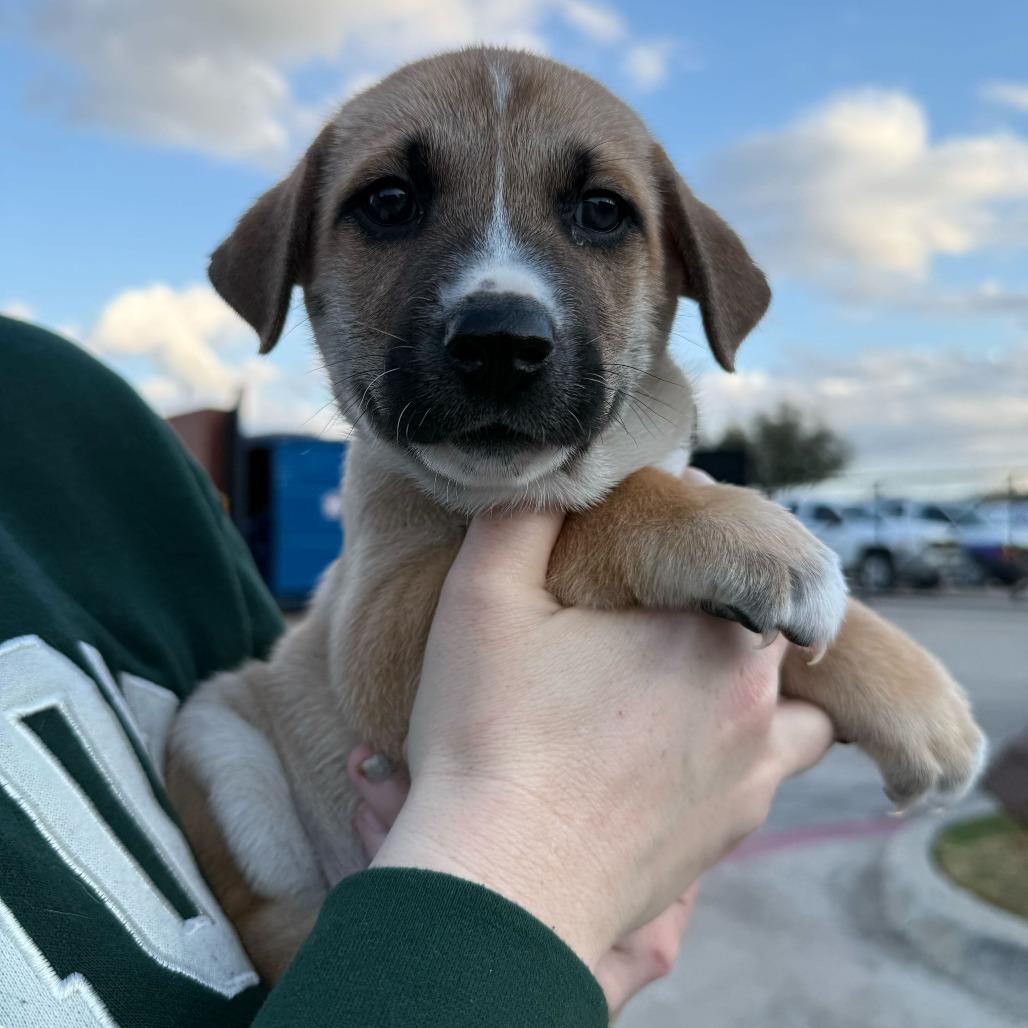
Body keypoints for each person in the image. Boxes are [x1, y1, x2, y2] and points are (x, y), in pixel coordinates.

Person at [0, 315, 833, 1027]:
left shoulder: (70, 415)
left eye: (601, 215)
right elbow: (386, 679)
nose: (499, 301)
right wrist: (518, 925)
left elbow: (322, 684)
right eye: (390, 203)